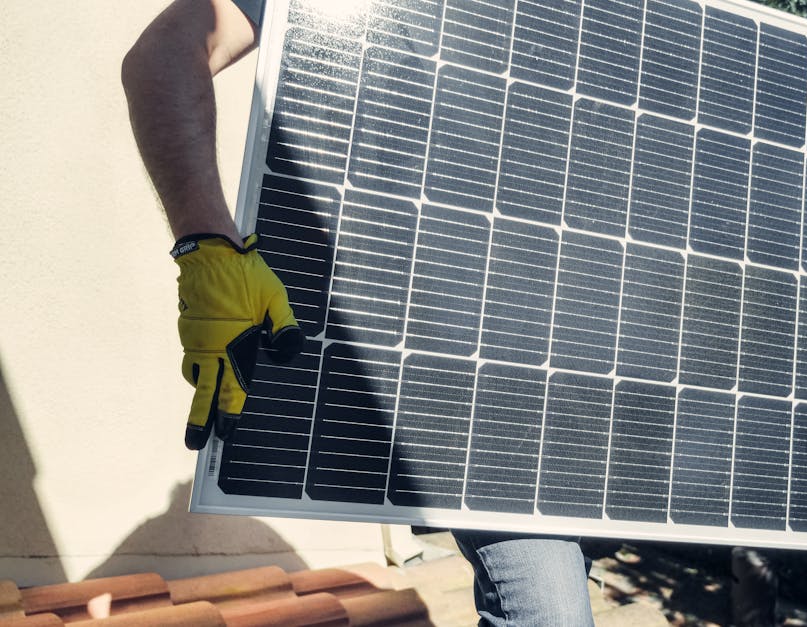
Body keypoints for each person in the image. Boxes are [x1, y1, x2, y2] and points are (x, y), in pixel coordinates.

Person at [120, 1, 594, 624]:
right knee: (551, 607)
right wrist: (210, 247)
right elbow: (162, 58)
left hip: (586, 365)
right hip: (468, 370)